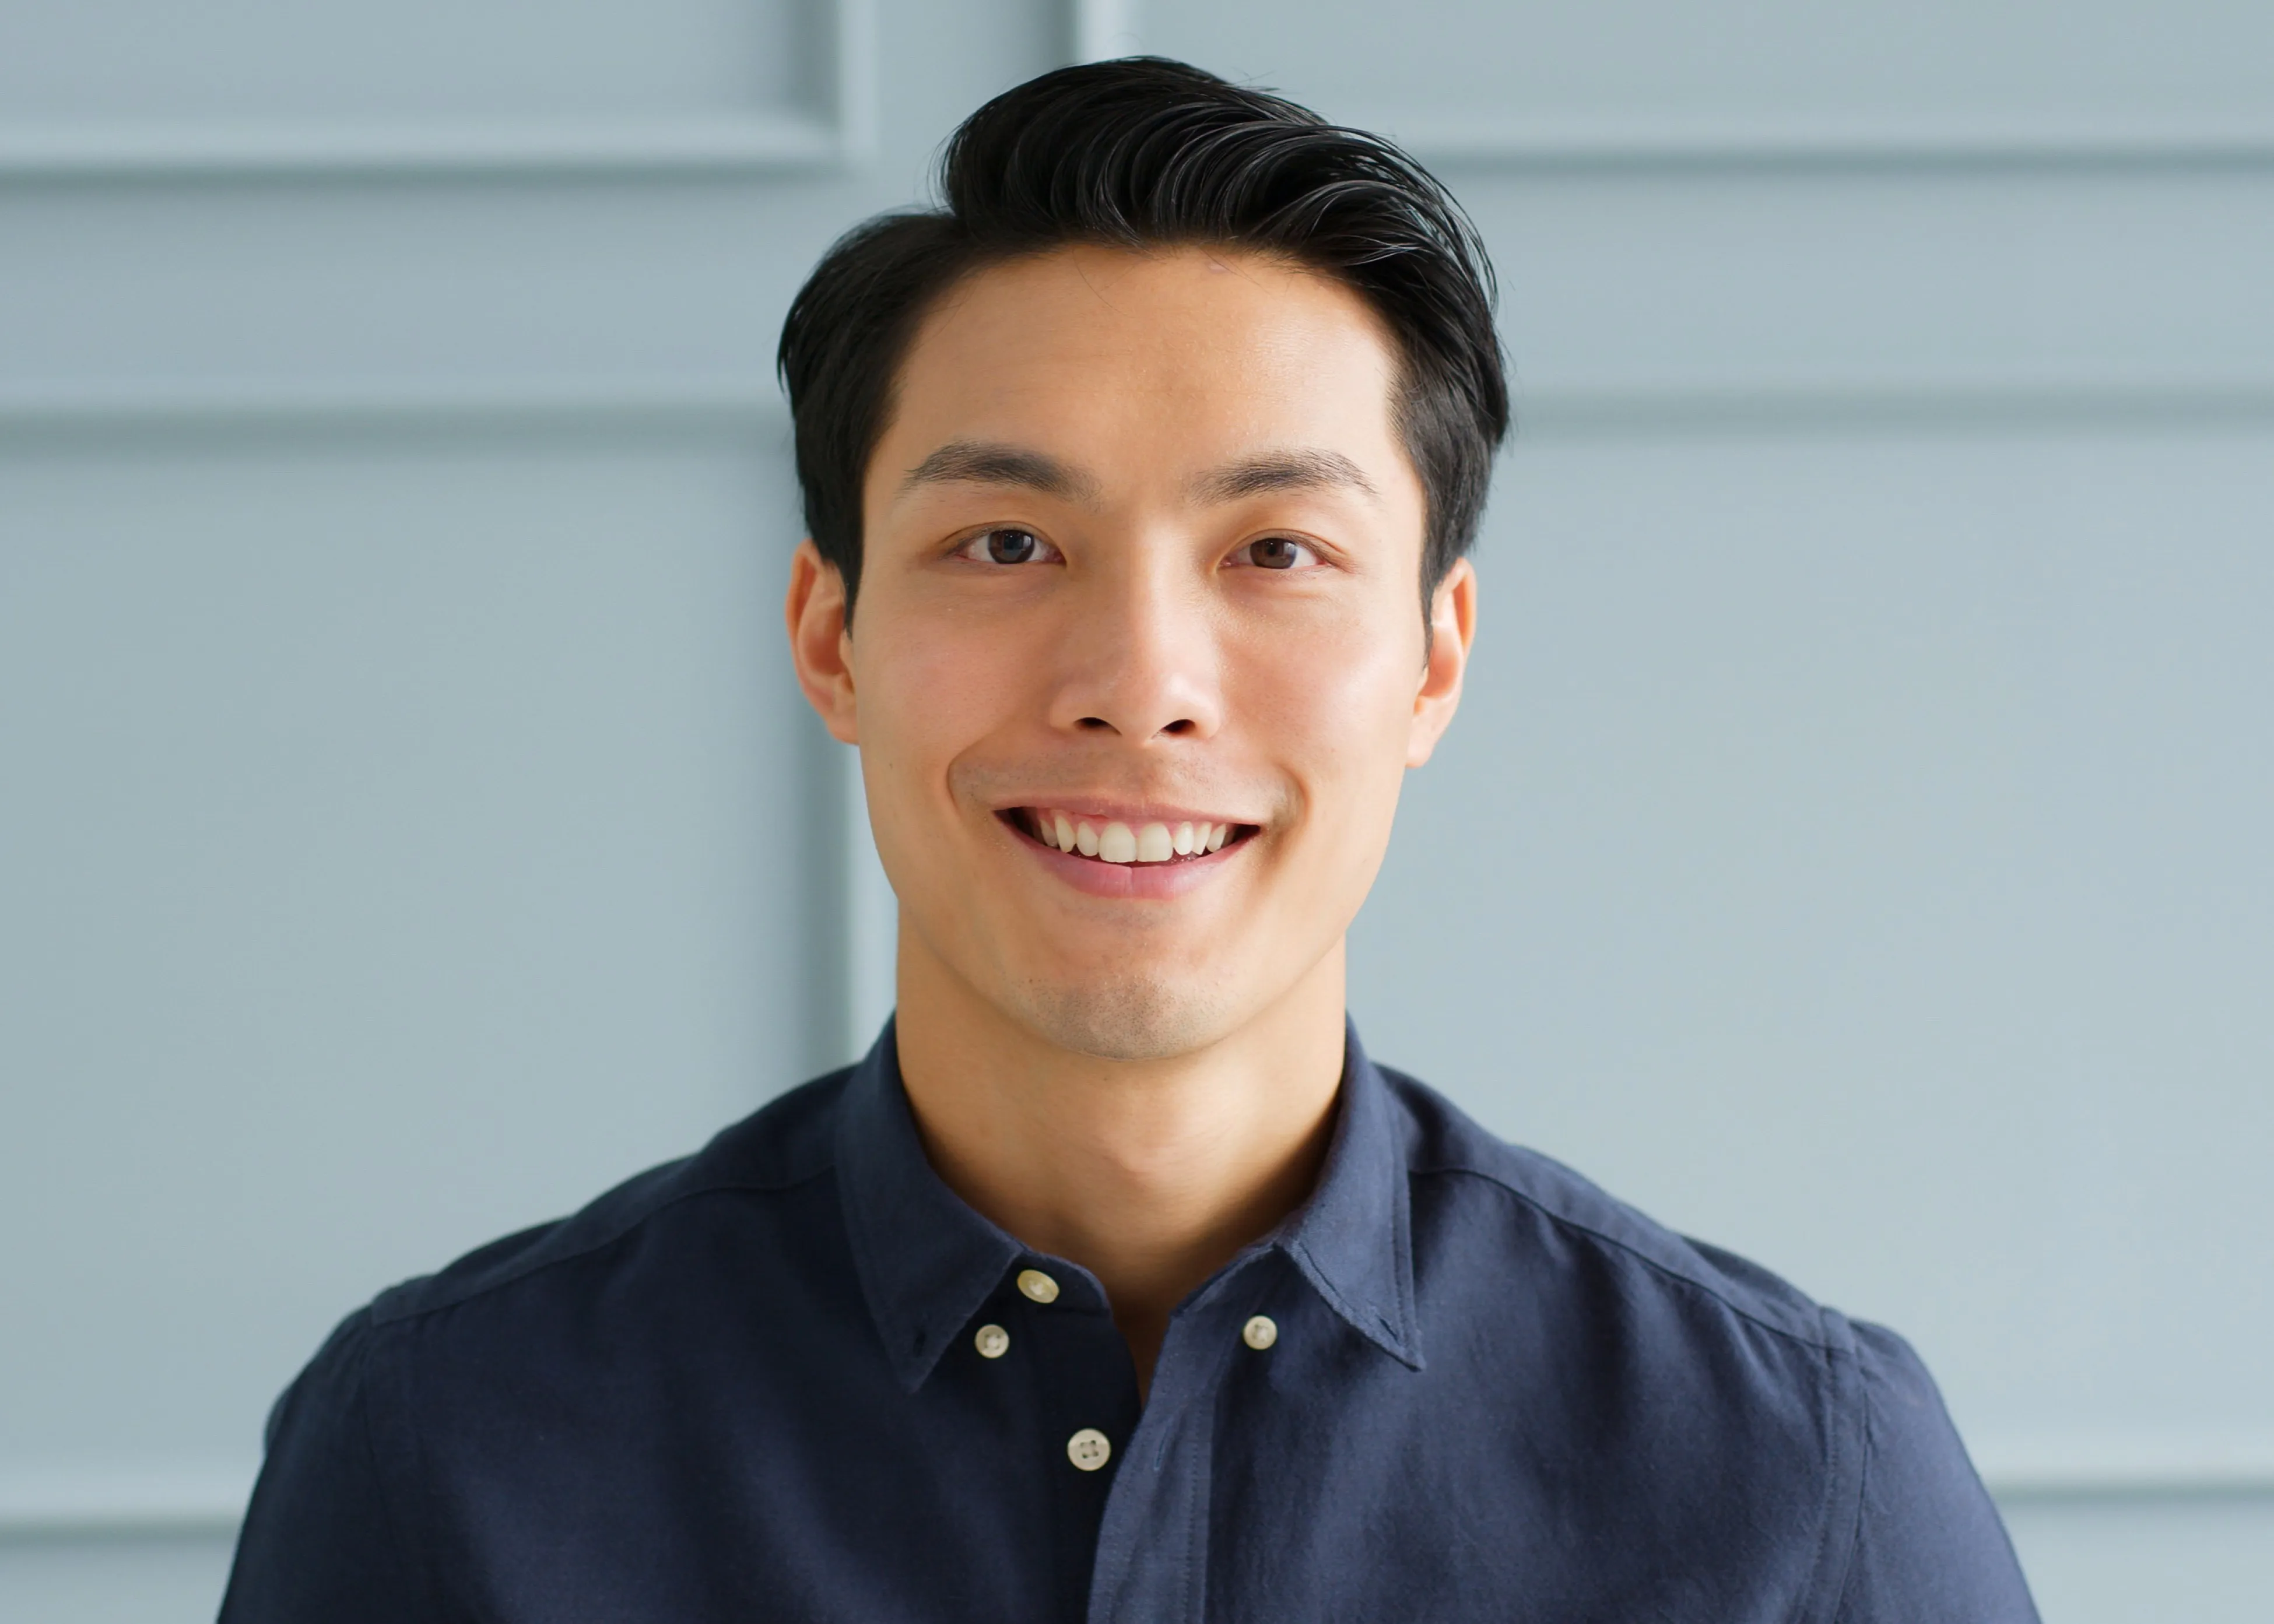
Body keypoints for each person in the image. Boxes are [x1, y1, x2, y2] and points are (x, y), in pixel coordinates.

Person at [220, 58, 2038, 1622]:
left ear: (1431, 660)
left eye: (1276, 552)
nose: (1139, 685)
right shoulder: (442, 1448)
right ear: (830, 637)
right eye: (1006, 544)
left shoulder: (1803, 1477)